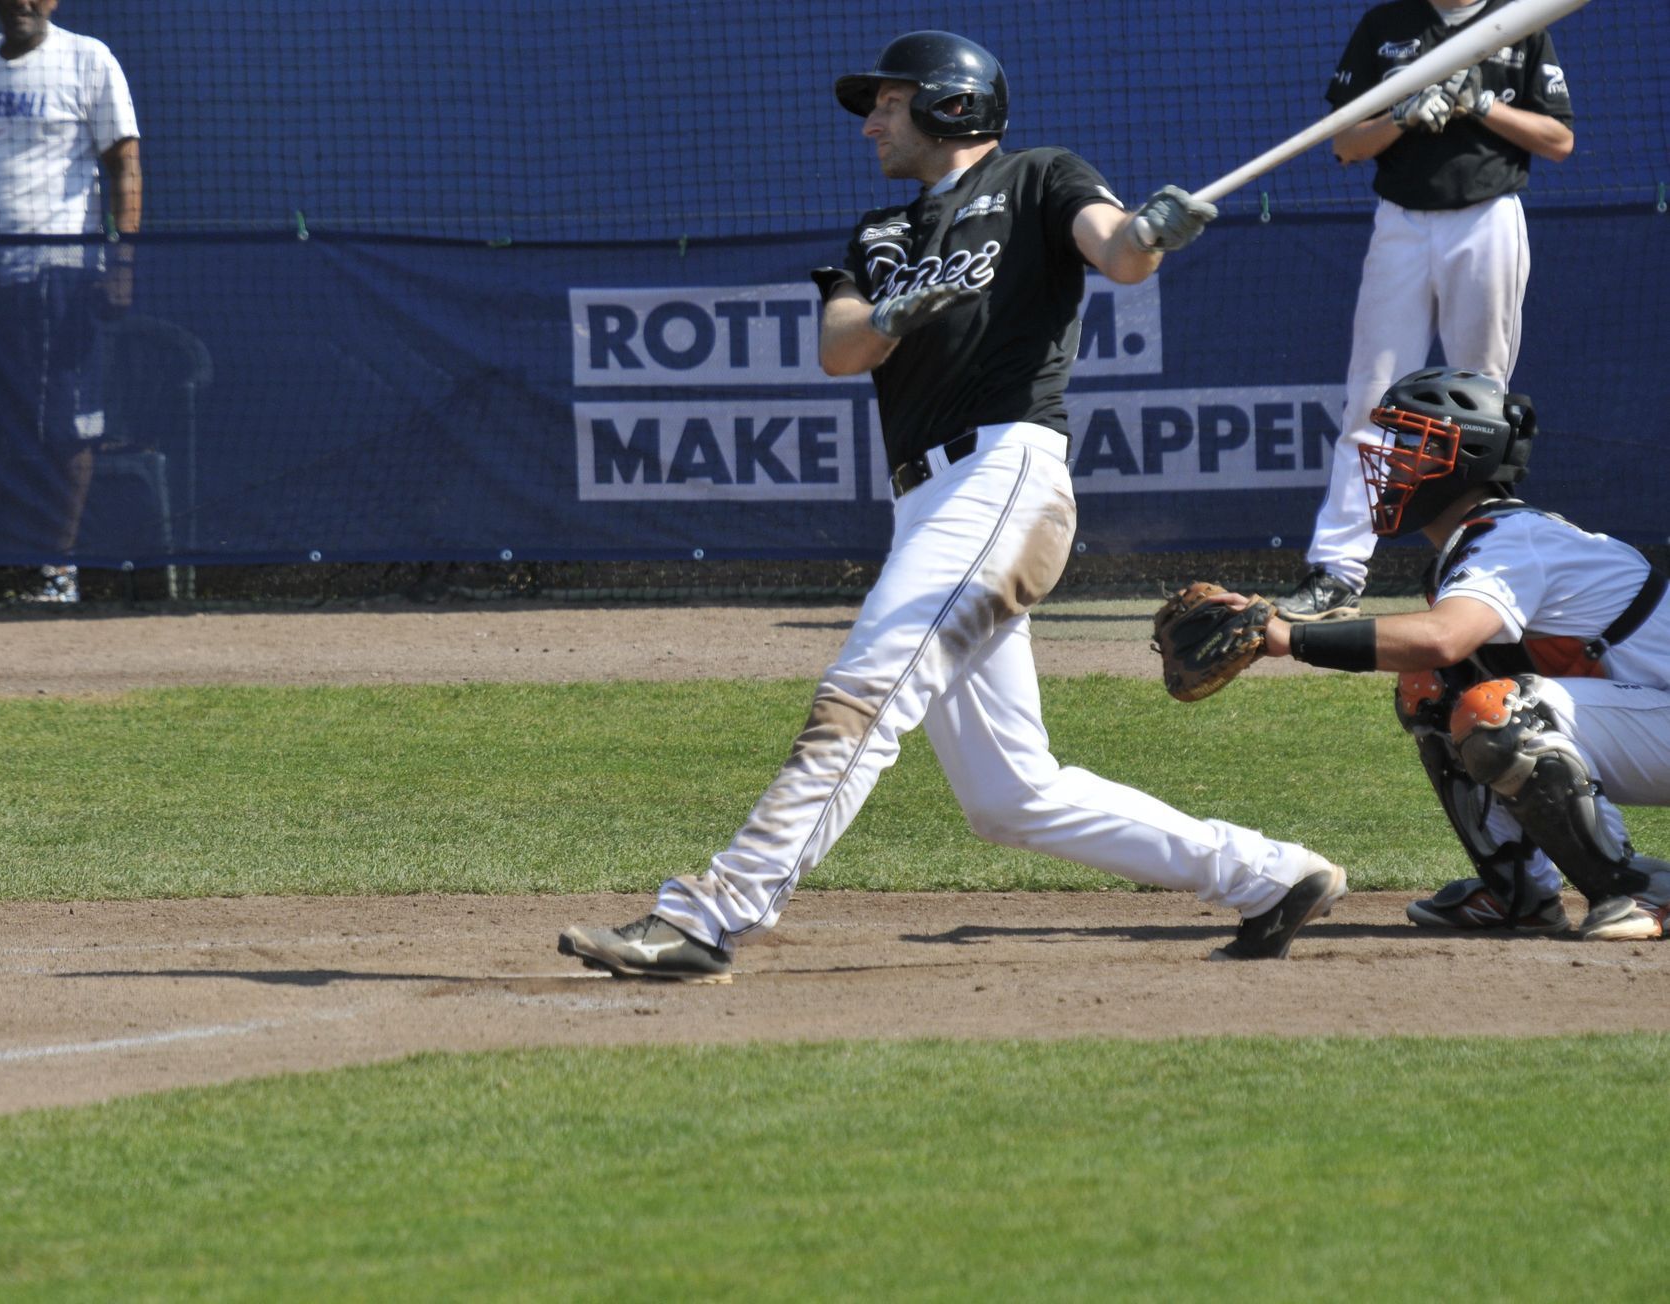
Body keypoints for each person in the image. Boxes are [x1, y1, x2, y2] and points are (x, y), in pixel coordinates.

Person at [557, 30, 1350, 983]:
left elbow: (1117, 253)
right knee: (1009, 797)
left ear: (952, 104)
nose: (869, 125)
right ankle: (1269, 875)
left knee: (862, 693)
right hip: (925, 502)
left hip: (1000, 474)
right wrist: (897, 308)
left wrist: (1148, 232)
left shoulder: (1037, 178)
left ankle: (711, 916)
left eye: (886, 104)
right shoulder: (878, 235)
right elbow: (842, 348)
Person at [1234, 367, 1670, 940]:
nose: (1391, 461)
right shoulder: (1485, 541)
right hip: (1649, 715)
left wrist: (1289, 638)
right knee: (1432, 686)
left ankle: (1638, 888)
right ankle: (1519, 891)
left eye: (1412, 443)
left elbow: (1445, 635)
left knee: (1507, 712)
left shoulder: (1509, 540)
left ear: (1467, 455)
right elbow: (1440, 656)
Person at [1278, 0, 1573, 622]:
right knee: (1371, 398)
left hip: (1488, 217)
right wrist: (1404, 115)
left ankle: (1488, 564)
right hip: (1403, 223)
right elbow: (1348, 143)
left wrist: (1481, 104)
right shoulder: (1389, 24)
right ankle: (1336, 570)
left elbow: (1559, 140)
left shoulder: (1518, 22)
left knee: (1483, 402)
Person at [0, 0, 141, 602]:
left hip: (63, 275)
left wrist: (121, 263)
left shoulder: (88, 60)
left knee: (69, 430)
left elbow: (124, 163)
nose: (22, 2)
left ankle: (56, 570)